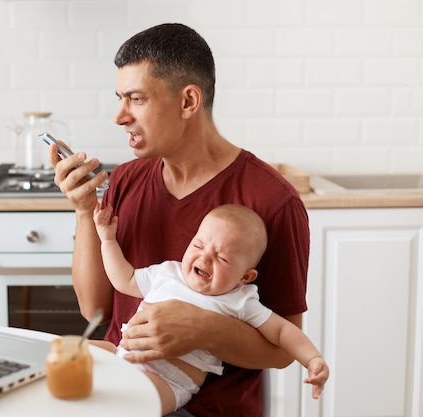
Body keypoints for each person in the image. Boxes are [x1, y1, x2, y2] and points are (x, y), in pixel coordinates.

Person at [48, 23, 310, 416]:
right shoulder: (125, 180)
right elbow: (95, 311)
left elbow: (282, 352)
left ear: (188, 101)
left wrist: (203, 329)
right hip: (118, 392)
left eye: (136, 99)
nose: (119, 116)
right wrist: (85, 212)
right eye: (120, 98)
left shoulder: (272, 201)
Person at [92, 204, 328, 415]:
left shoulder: (239, 301)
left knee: (125, 402)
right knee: (73, 350)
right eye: (198, 245)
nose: (205, 258)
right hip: (121, 355)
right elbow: (125, 279)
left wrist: (312, 359)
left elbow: (282, 332)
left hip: (167, 381)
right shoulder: (168, 273)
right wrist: (108, 240)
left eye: (222, 258)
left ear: (245, 277)